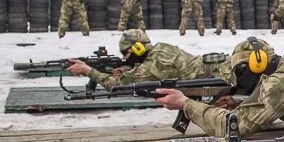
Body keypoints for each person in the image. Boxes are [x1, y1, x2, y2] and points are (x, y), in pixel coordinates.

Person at [155, 38, 284, 138]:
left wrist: (185, 104)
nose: (238, 80)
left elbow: (232, 128)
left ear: (257, 64)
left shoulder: (280, 83)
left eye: (239, 71)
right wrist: (239, 102)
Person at [66, 29, 231, 89]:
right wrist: (127, 69)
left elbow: (114, 85)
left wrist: (87, 70)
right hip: (219, 65)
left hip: (224, 72)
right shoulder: (162, 48)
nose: (125, 57)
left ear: (137, 48)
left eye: (126, 53)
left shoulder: (152, 67)